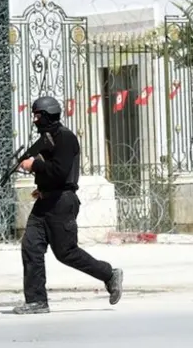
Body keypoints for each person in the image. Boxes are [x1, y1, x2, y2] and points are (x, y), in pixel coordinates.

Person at [13, 96, 123, 314]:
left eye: (37, 116)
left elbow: (60, 171)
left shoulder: (66, 138)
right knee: (30, 246)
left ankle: (109, 274)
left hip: (62, 203)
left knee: (66, 253)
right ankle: (36, 301)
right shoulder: (47, 138)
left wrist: (33, 165)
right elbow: (52, 172)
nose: (35, 120)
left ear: (47, 116)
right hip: (46, 201)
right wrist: (42, 185)